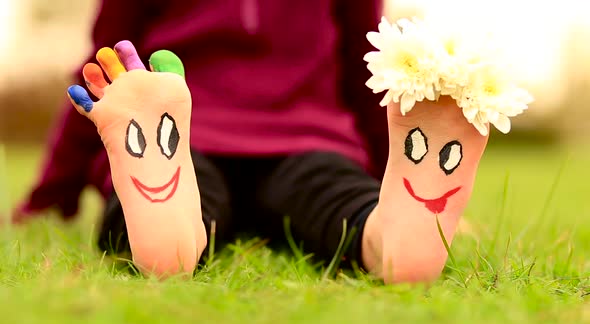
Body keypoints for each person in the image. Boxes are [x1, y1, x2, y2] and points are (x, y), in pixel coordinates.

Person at [14, 0, 491, 283]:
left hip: (183, 137)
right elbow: (363, 65)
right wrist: (388, 173)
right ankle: (388, 235)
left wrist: (50, 196)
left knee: (168, 191)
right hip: (307, 136)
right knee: (334, 193)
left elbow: (103, 64)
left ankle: (172, 242)